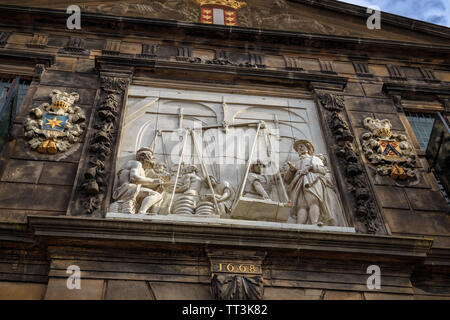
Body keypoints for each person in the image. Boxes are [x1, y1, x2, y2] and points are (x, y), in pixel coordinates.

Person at [284, 140, 342, 226]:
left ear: (308, 148)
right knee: (301, 205)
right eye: (298, 148)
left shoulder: (315, 159)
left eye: (301, 146)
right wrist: (292, 170)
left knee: (313, 201)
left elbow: (323, 170)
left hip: (312, 180)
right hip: (299, 183)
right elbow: (287, 179)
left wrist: (311, 167)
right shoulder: (296, 162)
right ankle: (299, 225)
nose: (299, 148)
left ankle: (314, 222)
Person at [111, 148, 163, 214]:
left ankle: (150, 214)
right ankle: (142, 212)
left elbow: (141, 183)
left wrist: (156, 186)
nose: (152, 158)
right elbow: (134, 178)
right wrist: (153, 181)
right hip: (128, 190)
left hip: (127, 190)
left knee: (157, 196)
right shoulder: (137, 164)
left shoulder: (139, 168)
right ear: (143, 157)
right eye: (150, 156)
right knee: (157, 195)